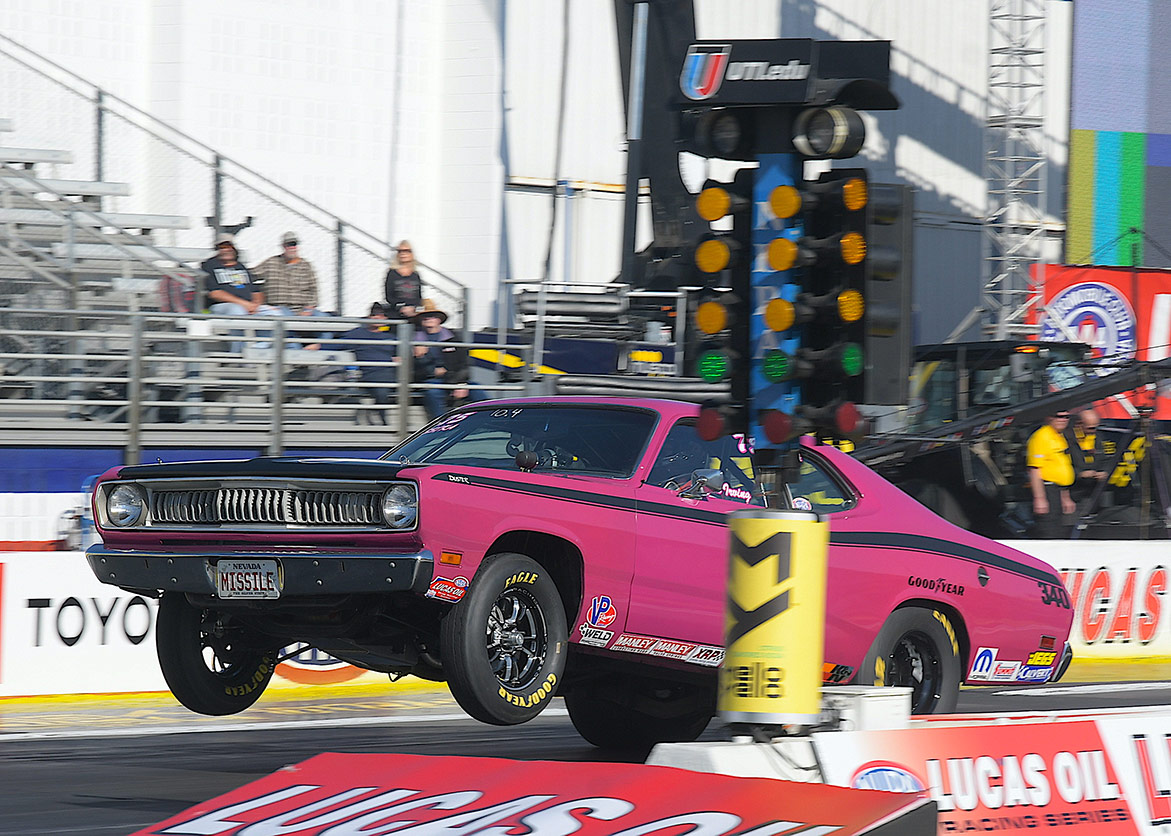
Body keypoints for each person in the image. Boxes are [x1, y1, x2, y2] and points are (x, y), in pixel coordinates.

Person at [251, 231, 331, 348]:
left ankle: (319, 347)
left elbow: (314, 290)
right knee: (287, 322)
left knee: (326, 320)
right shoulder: (271, 262)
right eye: (289, 244)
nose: (292, 247)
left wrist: (309, 308)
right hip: (280, 307)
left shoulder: (306, 266)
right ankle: (296, 351)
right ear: (283, 246)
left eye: (294, 244)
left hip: (303, 308)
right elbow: (250, 275)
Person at [412, 303, 477, 420]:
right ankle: (440, 425)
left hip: (455, 378)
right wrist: (420, 358)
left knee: (479, 391)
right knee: (433, 393)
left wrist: (459, 384)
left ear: (439, 319)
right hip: (431, 380)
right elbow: (412, 369)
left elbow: (464, 364)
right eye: (425, 316)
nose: (428, 319)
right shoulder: (413, 339)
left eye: (432, 316)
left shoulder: (453, 337)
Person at [337, 303, 398, 424]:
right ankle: (383, 420)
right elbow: (336, 344)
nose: (377, 318)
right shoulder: (358, 333)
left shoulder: (392, 336)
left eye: (381, 315)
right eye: (374, 315)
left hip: (391, 373)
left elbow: (403, 353)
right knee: (382, 388)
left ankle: (382, 416)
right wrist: (316, 345)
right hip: (372, 374)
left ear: (386, 318)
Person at [1026, 411, 1076, 538]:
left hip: (1058, 490)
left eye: (1066, 417)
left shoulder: (1059, 436)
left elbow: (1061, 467)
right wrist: (1040, 498)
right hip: (1047, 489)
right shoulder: (1041, 437)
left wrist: (1065, 496)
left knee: (1060, 531)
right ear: (1049, 417)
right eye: (1059, 416)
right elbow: (1034, 469)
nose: (1063, 419)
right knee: (1049, 531)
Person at [201, 233, 269, 316]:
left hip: (249, 305)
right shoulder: (209, 266)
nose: (228, 250)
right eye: (223, 247)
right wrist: (245, 304)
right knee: (237, 310)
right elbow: (215, 293)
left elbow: (256, 291)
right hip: (221, 305)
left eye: (230, 246)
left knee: (273, 312)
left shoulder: (241, 266)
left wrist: (256, 306)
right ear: (217, 250)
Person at [384, 239, 424, 319]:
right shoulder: (392, 273)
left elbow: (419, 297)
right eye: (400, 251)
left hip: (413, 314)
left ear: (411, 253)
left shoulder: (415, 274)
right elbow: (389, 296)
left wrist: (414, 308)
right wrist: (402, 307)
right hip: (396, 313)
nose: (403, 253)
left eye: (406, 251)